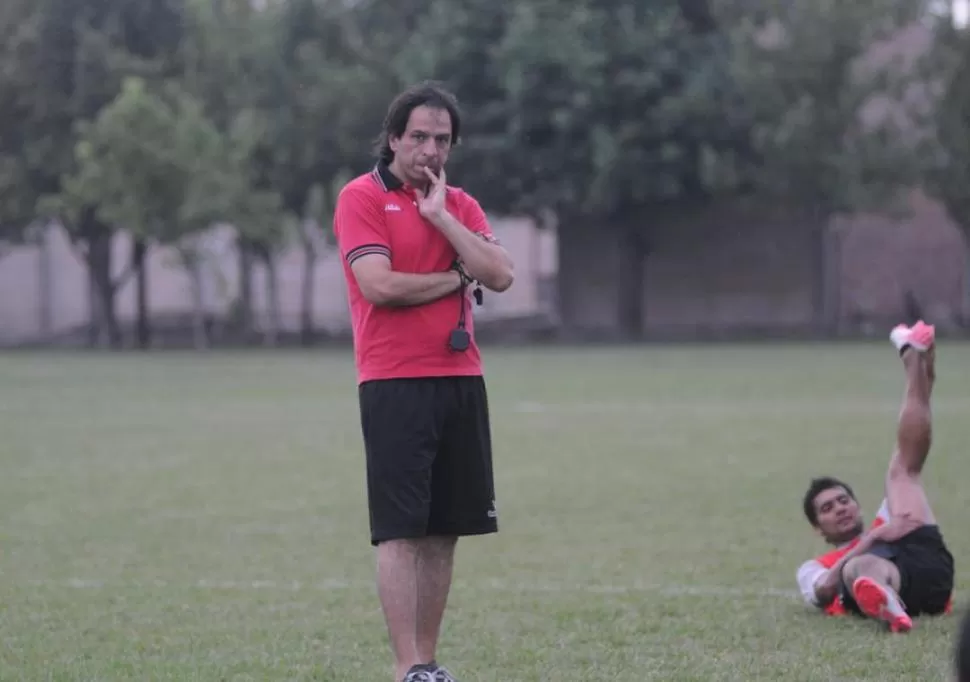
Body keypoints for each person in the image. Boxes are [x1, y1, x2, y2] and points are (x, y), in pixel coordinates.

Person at [332, 81, 514, 682]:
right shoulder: (360, 197)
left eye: (442, 140)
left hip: (461, 379)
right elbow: (379, 287)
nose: (430, 150)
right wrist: (458, 277)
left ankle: (428, 663)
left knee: (445, 532)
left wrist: (442, 221)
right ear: (393, 139)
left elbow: (503, 274)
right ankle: (405, 665)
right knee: (401, 533)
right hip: (393, 383)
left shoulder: (459, 204)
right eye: (418, 137)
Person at [796, 320, 954, 633]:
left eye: (843, 500)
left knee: (903, 470)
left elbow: (914, 442)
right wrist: (872, 539)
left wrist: (925, 365)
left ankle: (914, 357)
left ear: (858, 506)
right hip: (877, 573)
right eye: (827, 508)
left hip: (931, 575)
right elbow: (824, 590)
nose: (840, 508)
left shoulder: (890, 515)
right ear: (818, 529)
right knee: (859, 567)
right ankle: (887, 602)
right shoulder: (813, 568)